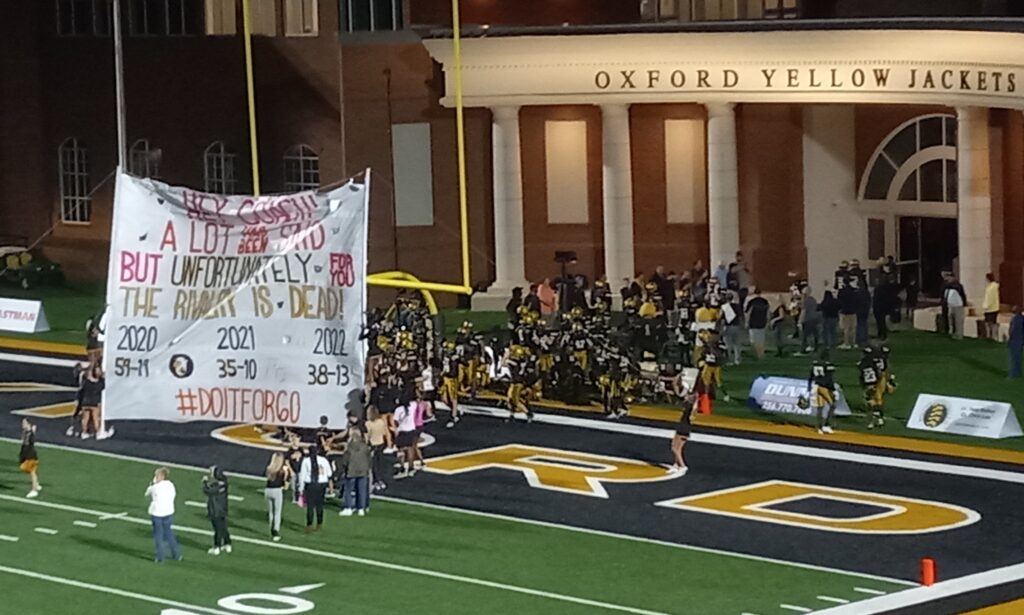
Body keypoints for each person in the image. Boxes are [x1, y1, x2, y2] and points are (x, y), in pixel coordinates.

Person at [146, 467, 182, 562]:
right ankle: (177, 555)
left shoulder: (155, 487)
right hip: (168, 512)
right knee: (169, 533)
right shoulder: (170, 485)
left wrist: (153, 485)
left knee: (158, 535)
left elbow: (148, 493)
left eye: (157, 475)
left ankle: (160, 557)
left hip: (157, 513)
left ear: (162, 476)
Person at [339, 430, 372, 516]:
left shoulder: (349, 447)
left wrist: (344, 468)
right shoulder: (365, 447)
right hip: (363, 471)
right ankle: (361, 508)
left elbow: (345, 460)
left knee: (348, 490)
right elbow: (369, 458)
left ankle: (348, 507)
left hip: (351, 471)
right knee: (361, 490)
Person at [669, 372, 697, 475]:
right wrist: (679, 376)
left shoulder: (691, 406)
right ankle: (676, 465)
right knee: (674, 446)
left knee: (675, 448)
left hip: (685, 427)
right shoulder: (688, 403)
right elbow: (675, 385)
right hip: (683, 425)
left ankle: (682, 465)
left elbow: (676, 386)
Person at [298, 445, 331, 532]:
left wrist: (301, 488)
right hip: (322, 484)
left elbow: (302, 475)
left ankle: (309, 525)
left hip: (311, 484)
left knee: (310, 506)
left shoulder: (306, 461)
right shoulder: (324, 460)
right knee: (320, 505)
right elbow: (329, 473)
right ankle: (319, 524)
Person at [202, 466, 232, 555]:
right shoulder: (224, 483)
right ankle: (227, 543)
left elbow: (207, 490)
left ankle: (217, 546)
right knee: (223, 527)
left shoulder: (216, 486)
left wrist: (205, 482)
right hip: (223, 509)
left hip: (215, 510)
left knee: (217, 529)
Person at [79, 363, 112, 440]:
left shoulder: (86, 381)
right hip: (94, 402)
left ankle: (84, 433)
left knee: (85, 418)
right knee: (96, 418)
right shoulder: (99, 383)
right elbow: (103, 386)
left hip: (85, 401)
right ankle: (98, 433)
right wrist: (103, 377)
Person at [806, 356, 838, 435]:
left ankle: (819, 427)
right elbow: (829, 379)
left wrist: (809, 389)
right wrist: (833, 390)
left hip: (816, 386)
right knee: (832, 405)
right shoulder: (827, 365)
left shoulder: (815, 364)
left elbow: (810, 378)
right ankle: (826, 425)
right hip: (824, 387)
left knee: (820, 408)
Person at [365, 406, 391, 492]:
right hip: (381, 444)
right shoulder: (381, 422)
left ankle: (375, 481)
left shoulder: (368, 424)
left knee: (373, 465)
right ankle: (380, 480)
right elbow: (385, 433)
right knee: (379, 463)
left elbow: (367, 437)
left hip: (372, 445)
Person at [264, 452, 289, 541]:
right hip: (277, 491)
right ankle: (276, 530)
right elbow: (284, 485)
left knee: (271, 512)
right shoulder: (282, 471)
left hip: (267, 491)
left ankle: (271, 528)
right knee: (277, 512)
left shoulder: (269, 469)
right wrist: (286, 475)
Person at [393, 402, 419, 479]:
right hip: (411, 430)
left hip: (402, 431)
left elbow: (395, 421)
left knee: (401, 450)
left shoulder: (398, 409)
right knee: (410, 449)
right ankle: (411, 468)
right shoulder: (413, 405)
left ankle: (402, 468)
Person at [744, 288, 769, 359]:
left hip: (753, 323)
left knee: (753, 340)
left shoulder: (751, 301)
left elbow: (748, 313)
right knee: (761, 340)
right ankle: (761, 354)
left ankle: (757, 354)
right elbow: (768, 313)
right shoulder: (765, 301)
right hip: (762, 322)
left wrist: (746, 322)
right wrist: (767, 321)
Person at [942, 272, 967, 340]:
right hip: (950, 305)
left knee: (958, 321)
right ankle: (953, 333)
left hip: (958, 305)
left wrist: (964, 303)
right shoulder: (947, 286)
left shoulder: (957, 285)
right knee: (951, 319)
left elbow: (962, 295)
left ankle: (959, 334)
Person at [19, 419, 41, 498]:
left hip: (30, 455)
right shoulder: (25, 432)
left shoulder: (30, 434)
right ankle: (36, 484)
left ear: (28, 424)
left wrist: (32, 431)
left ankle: (34, 490)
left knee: (32, 472)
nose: (22, 424)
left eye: (24, 423)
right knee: (24, 468)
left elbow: (31, 442)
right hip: (25, 454)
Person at [984, 273, 1001, 340]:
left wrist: (986, 305)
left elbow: (989, 298)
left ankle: (990, 335)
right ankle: (993, 335)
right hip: (994, 307)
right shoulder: (993, 286)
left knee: (989, 322)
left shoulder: (991, 288)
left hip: (990, 308)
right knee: (992, 322)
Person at [1009, 306, 1024, 379]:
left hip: (1015, 340)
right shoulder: (1022, 319)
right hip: (1020, 340)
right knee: (1018, 357)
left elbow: (1012, 330)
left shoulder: (1015, 319)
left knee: (1013, 357)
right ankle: (1018, 372)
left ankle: (1013, 373)